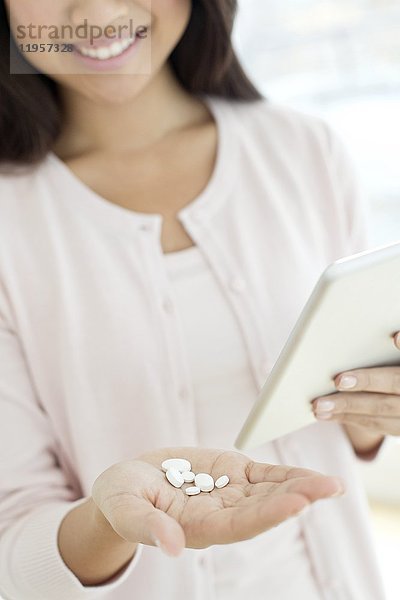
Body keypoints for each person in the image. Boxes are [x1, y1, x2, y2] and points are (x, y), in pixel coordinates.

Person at [0, 1, 398, 599]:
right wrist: (110, 519)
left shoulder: (301, 150)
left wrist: (372, 410)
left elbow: (344, 412)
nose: (99, 8)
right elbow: (14, 545)